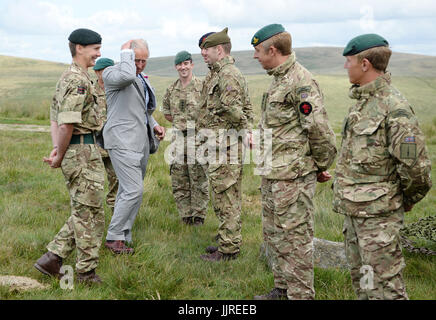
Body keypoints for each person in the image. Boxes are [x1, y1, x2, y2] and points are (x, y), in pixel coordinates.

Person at [332, 33, 432, 300]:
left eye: (349, 60)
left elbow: (416, 170)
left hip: (379, 220)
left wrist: (404, 199)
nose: (345, 67)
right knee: (364, 282)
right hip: (354, 215)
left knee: (386, 289)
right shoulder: (362, 105)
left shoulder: (395, 109)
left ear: (365, 64)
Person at [251, 24, 337, 300]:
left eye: (257, 51)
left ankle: (301, 295)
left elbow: (318, 129)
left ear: (272, 50)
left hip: (293, 176)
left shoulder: (301, 81)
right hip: (273, 173)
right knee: (275, 234)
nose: (255, 56)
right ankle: (283, 288)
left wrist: (321, 165)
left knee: (296, 240)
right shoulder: (278, 79)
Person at [34, 28, 105, 284]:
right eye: (95, 48)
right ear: (79, 48)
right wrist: (59, 154)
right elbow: (66, 124)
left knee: (85, 209)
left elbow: (55, 116)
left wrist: (57, 149)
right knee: (90, 214)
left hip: (80, 150)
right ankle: (85, 272)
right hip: (82, 152)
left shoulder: (69, 77)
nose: (99, 53)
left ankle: (52, 258)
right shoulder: (77, 80)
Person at [102, 39, 165, 255]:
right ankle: (113, 237)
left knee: (129, 192)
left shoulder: (140, 78)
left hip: (140, 143)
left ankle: (124, 236)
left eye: (143, 60)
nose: (139, 65)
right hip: (122, 141)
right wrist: (125, 54)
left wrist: (155, 125)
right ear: (127, 56)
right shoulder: (112, 73)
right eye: (135, 59)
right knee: (133, 189)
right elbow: (127, 75)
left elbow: (142, 109)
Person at [197, 27, 254, 262]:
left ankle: (229, 249)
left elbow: (234, 109)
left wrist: (246, 131)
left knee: (227, 196)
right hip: (219, 145)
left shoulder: (227, 74)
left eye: (206, 49)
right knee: (222, 196)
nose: (203, 54)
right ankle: (226, 239)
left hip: (226, 147)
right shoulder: (218, 73)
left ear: (219, 50)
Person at [162, 51, 209, 226]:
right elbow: (167, 113)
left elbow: (209, 111)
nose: (183, 67)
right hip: (178, 140)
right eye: (180, 64)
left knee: (198, 179)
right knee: (179, 179)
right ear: (176, 67)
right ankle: (186, 215)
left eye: (186, 64)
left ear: (192, 65)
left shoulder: (202, 86)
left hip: (198, 139)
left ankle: (199, 216)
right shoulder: (171, 89)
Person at [92, 58, 119, 212]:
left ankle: (114, 208)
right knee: (94, 180)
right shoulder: (90, 90)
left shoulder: (116, 90)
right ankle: (93, 209)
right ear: (97, 72)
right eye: (105, 71)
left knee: (116, 178)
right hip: (95, 143)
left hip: (113, 143)